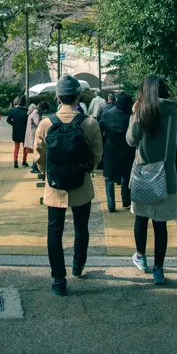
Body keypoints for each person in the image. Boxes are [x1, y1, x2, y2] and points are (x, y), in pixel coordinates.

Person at [33, 75, 103, 296]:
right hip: (81, 184)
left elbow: (38, 156)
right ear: (78, 96)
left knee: (55, 231)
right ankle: (78, 266)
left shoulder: (46, 123)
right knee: (81, 228)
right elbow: (97, 155)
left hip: (55, 187)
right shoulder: (90, 123)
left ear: (57, 97)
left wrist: (49, 173)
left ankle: (58, 279)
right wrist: (84, 169)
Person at [127, 74, 177, 285]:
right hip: (166, 176)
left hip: (144, 175)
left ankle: (140, 256)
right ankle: (159, 269)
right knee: (161, 226)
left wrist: (134, 114)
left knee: (141, 219)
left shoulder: (142, 112)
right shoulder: (172, 111)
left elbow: (131, 140)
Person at [100, 91, 134, 212]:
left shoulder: (107, 114)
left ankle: (111, 204)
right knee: (126, 175)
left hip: (110, 149)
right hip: (128, 150)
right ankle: (126, 200)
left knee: (109, 178)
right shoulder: (132, 116)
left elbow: (100, 130)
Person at [7, 95, 29, 168]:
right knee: (25, 147)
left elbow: (8, 120)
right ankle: (24, 161)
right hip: (25, 131)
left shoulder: (13, 110)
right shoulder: (26, 111)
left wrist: (14, 124)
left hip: (16, 130)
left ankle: (15, 162)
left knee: (16, 147)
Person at [26, 100, 47, 174]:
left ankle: (34, 166)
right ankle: (34, 167)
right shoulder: (36, 112)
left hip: (31, 132)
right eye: (44, 110)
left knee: (36, 150)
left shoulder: (33, 111)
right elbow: (38, 122)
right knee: (37, 150)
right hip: (34, 133)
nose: (45, 111)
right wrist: (45, 121)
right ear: (42, 107)